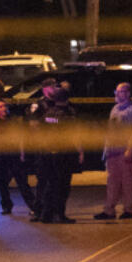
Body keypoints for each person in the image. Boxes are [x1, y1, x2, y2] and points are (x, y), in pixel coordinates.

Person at [29, 80, 84, 223]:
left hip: (48, 153)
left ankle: (46, 215)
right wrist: (80, 150)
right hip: (63, 154)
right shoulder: (69, 114)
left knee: (50, 184)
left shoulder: (48, 113)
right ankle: (59, 214)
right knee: (62, 186)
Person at [95, 82, 132, 221]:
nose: (117, 94)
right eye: (117, 91)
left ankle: (128, 210)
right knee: (112, 182)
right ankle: (109, 210)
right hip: (112, 152)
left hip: (124, 152)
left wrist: (130, 150)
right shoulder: (115, 109)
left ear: (127, 93)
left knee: (126, 183)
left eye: (120, 91)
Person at [0, 99, 38, 217]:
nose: (3, 108)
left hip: (14, 156)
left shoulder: (13, 122)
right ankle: (6, 206)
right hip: (0, 156)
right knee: (2, 183)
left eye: (4, 106)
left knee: (22, 182)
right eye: (0, 107)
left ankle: (34, 206)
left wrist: (22, 152)